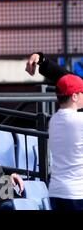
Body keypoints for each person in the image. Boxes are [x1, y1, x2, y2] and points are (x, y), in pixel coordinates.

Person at [48, 74, 83, 210]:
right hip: (77, 193)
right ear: (74, 96)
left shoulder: (54, 120)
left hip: (56, 191)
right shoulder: (79, 120)